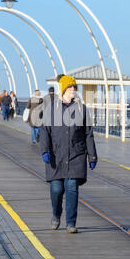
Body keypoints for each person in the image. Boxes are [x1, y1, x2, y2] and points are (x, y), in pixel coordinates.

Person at [40, 75, 98, 234]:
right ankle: (56, 214)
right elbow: (45, 131)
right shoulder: (51, 108)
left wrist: (92, 156)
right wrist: (45, 150)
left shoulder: (81, 109)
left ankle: (71, 222)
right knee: (57, 189)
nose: (73, 90)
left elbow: (88, 134)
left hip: (76, 155)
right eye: (70, 88)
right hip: (56, 156)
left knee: (72, 188)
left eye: (74, 88)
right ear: (63, 89)